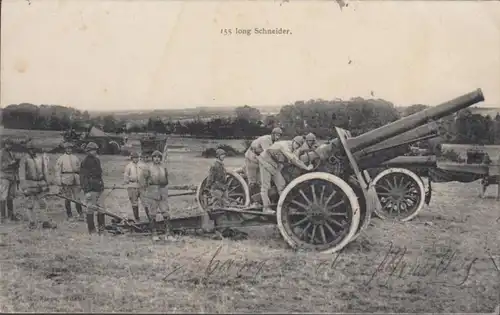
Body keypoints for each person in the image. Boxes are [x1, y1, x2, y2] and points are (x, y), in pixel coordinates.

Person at [257, 136, 311, 214]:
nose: (297, 146)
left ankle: (285, 208)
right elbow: (293, 159)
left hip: (275, 165)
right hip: (265, 161)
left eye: (299, 145)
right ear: (293, 141)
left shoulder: (293, 148)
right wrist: (306, 168)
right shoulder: (284, 145)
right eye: (297, 144)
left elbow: (296, 158)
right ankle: (266, 208)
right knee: (265, 186)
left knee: (282, 184)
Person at [18, 141, 57, 229]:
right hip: (29, 185)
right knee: (30, 205)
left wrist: (46, 183)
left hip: (40, 185)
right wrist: (23, 186)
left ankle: (45, 222)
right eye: (30, 149)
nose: (32, 151)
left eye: (33, 149)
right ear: (28, 150)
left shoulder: (40, 159)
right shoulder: (24, 159)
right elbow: (21, 174)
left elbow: (44, 172)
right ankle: (32, 223)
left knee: (43, 204)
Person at [143, 150, 173, 241]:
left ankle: (168, 233)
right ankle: (154, 233)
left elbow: (166, 180)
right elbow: (144, 181)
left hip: (162, 192)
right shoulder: (148, 168)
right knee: (153, 214)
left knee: (166, 212)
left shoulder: (164, 168)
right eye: (155, 157)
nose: (157, 159)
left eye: (158, 157)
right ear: (152, 158)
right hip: (152, 193)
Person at [244, 127, 283, 196]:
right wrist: (275, 164)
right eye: (277, 135)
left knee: (260, 182)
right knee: (252, 182)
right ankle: (248, 198)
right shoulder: (266, 140)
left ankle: (257, 199)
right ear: (272, 134)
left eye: (279, 135)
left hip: (259, 161)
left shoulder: (273, 142)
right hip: (251, 160)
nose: (278, 137)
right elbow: (267, 154)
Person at [80, 142, 106, 234]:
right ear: (88, 151)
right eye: (92, 150)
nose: (94, 152)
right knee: (90, 208)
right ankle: (91, 229)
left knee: (101, 208)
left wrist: (102, 185)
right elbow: (83, 177)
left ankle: (102, 228)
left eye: (95, 150)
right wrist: (86, 190)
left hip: (98, 187)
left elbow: (100, 174)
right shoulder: (85, 162)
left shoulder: (97, 160)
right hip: (90, 187)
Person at [54, 142, 83, 220]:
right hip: (65, 179)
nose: (69, 150)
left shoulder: (75, 158)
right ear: (65, 149)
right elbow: (57, 171)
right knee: (68, 198)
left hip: (75, 179)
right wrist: (59, 183)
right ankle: (69, 215)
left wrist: (80, 179)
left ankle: (80, 214)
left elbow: (79, 169)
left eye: (70, 148)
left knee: (77, 198)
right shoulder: (61, 158)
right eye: (67, 148)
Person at [0, 138, 20, 223]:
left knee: (11, 197)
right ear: (5, 144)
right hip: (4, 176)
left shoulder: (12, 152)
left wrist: (16, 165)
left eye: (11, 144)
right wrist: (10, 164)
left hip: (12, 176)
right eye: (8, 144)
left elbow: (16, 167)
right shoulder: (1, 153)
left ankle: (11, 216)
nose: (10, 146)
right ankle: (3, 217)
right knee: (3, 196)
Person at [123, 152, 148, 221]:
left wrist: (145, 183)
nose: (135, 159)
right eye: (134, 158)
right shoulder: (128, 166)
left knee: (146, 202)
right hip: (132, 186)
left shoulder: (143, 165)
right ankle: (137, 218)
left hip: (141, 186)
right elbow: (125, 177)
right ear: (131, 158)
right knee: (134, 203)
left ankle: (150, 218)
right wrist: (130, 180)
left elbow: (147, 175)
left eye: (137, 158)